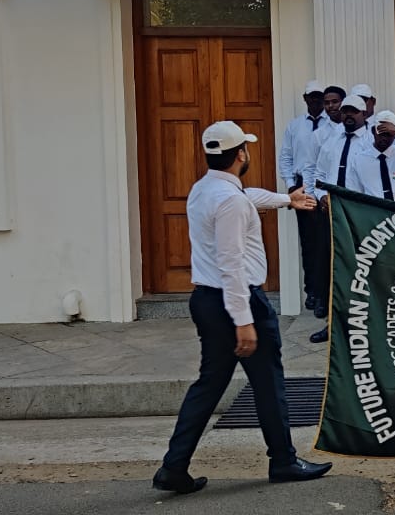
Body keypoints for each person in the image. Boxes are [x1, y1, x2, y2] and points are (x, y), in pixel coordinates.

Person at [154, 121, 330, 495]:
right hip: (237, 300)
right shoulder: (231, 202)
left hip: (206, 300)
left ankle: (174, 466)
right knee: (268, 383)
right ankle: (282, 460)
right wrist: (244, 321)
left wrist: (287, 199)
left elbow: (248, 196)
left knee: (208, 385)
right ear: (240, 155)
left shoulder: (205, 190)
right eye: (246, 149)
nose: (248, 153)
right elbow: (231, 264)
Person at [308, 95, 372, 334]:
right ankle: (333, 325)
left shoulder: (370, 143)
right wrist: (320, 195)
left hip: (358, 215)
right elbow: (319, 174)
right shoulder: (331, 142)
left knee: (359, 269)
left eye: (353, 111)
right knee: (333, 268)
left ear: (364, 114)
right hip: (332, 213)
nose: (347, 115)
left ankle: (360, 323)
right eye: (345, 111)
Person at [278, 80, 328, 312]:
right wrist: (291, 186)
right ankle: (312, 291)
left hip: (325, 186)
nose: (316, 100)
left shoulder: (332, 125)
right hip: (301, 186)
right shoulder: (295, 126)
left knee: (325, 243)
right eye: (312, 96)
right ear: (305, 98)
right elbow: (286, 157)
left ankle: (323, 294)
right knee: (309, 242)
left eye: (320, 96)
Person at [347, 113, 395, 203]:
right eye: (381, 132)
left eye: (389, 134)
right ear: (373, 131)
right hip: (374, 213)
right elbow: (354, 191)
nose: (384, 138)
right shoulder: (359, 160)